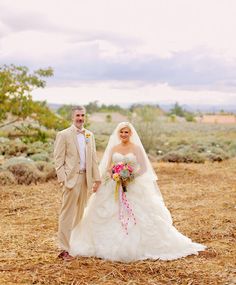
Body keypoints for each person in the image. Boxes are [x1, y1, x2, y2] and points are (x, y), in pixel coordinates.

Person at [69, 122, 206, 262]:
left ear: (131, 133)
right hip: (114, 184)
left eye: (126, 132)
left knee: (141, 214)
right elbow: (109, 167)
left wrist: (130, 176)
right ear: (118, 133)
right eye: (121, 132)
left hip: (133, 184)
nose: (123, 134)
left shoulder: (136, 148)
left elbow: (144, 168)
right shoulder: (114, 148)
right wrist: (113, 175)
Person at [54, 105, 101, 260]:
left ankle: (75, 245)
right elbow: (58, 160)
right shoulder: (63, 135)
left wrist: (97, 178)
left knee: (80, 214)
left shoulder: (89, 135)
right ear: (72, 117)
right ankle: (64, 249)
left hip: (85, 180)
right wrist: (63, 179)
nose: (80, 118)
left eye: (82, 115)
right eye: (78, 115)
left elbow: (93, 158)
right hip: (71, 181)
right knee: (67, 214)